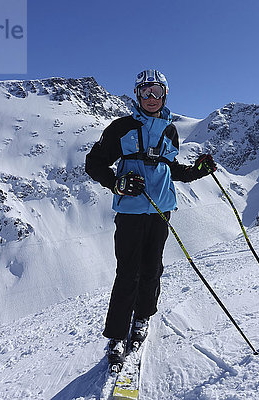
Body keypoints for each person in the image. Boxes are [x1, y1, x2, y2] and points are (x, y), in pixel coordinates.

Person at [85, 69, 216, 368]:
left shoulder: (170, 130)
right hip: (130, 212)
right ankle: (117, 335)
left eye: (157, 92)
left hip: (160, 211)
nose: (152, 98)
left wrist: (197, 171)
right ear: (137, 95)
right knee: (127, 272)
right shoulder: (121, 128)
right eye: (146, 92)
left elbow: (173, 169)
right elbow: (94, 164)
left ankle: (142, 318)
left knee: (152, 268)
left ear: (165, 94)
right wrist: (116, 184)